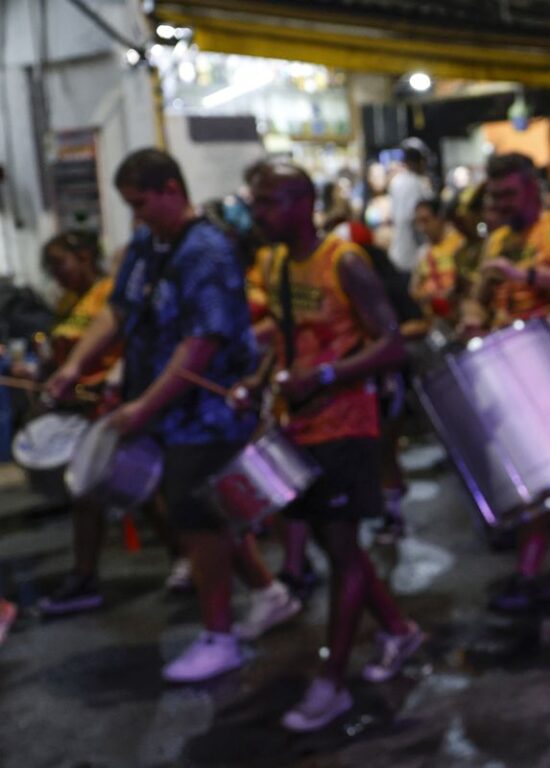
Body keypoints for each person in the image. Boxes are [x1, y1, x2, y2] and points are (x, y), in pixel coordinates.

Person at [45, 148, 300, 683]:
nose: (135, 215)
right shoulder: (146, 244)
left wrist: (144, 406)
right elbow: (119, 310)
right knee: (202, 511)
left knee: (196, 517)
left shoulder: (205, 251)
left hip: (206, 408)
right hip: (170, 406)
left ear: (170, 190)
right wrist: (75, 365)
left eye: (141, 203)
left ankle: (219, 637)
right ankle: (269, 593)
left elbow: (201, 344)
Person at [245, 162, 423, 731]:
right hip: (301, 428)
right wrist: (256, 378)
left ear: (302, 203)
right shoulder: (275, 263)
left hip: (346, 425)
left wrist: (323, 378)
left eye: (269, 202)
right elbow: (286, 333)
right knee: (333, 544)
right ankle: (398, 631)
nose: (258, 214)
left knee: (342, 550)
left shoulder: (344, 261)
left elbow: (392, 344)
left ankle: (333, 683)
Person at [460, 153, 550, 611]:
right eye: (495, 194)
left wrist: (525, 275)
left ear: (532, 189)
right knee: (537, 471)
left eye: (508, 193)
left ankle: (534, 565)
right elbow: (477, 298)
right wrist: (472, 319)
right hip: (506, 367)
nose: (500, 203)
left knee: (547, 470)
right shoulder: (498, 238)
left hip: (549, 362)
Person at [32, 232, 186, 616]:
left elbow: (130, 346)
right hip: (88, 410)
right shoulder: (68, 303)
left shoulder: (110, 293)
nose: (57, 275)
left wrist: (110, 384)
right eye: (50, 269)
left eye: (60, 264)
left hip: (119, 404)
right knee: (118, 491)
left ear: (85, 255)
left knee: (128, 489)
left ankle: (194, 558)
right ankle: (183, 556)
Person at [408, 196, 467, 325]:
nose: (422, 228)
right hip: (434, 321)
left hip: (459, 314)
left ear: (440, 219)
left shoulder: (459, 244)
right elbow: (414, 290)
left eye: (426, 221)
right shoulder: (423, 253)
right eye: (419, 222)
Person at [386, 138, 433, 274]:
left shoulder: (396, 181)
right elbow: (415, 221)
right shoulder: (418, 184)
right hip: (414, 256)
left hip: (397, 252)